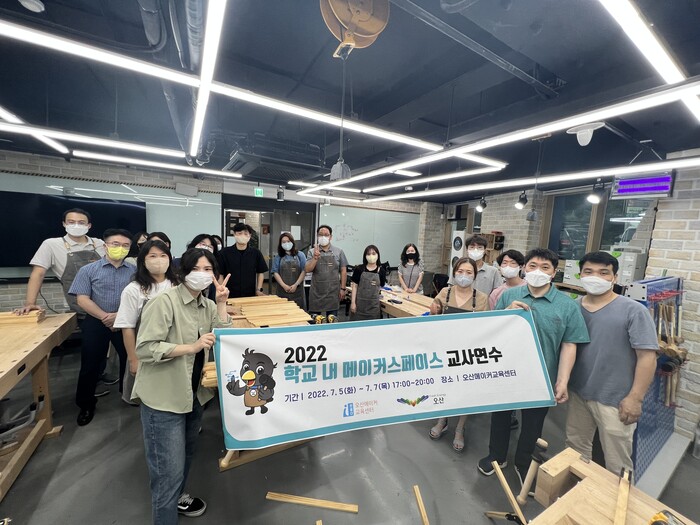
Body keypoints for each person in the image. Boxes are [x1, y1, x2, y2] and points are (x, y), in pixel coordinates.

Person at [132, 248, 232, 523]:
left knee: (186, 455)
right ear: (182, 272)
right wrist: (192, 347)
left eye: (208, 269)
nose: (202, 274)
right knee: (167, 471)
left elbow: (224, 337)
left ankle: (178, 498)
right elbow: (145, 348)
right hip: (164, 399)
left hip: (194, 395)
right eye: (196, 269)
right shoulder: (163, 302)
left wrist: (221, 303)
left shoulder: (207, 305)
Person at [478, 248, 589, 490]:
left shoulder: (567, 306)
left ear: (554, 272)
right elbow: (490, 330)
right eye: (532, 266)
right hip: (506, 373)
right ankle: (496, 456)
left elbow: (570, 344)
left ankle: (524, 462)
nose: (538, 271)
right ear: (524, 268)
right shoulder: (509, 296)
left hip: (542, 376)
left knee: (533, 424)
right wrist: (506, 314)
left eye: (545, 267)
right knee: (500, 417)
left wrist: (562, 380)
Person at [566, 251, 658, 475]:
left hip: (615, 400)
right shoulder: (573, 307)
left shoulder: (633, 311)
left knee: (618, 463)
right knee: (575, 450)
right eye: (589, 272)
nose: (595, 277)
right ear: (580, 275)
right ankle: (578, 493)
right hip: (579, 393)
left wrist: (635, 398)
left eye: (603, 273)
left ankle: (618, 498)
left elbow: (647, 357)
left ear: (615, 277)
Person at [68, 228, 136, 426]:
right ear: (105, 245)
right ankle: (86, 404)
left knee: (129, 358)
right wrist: (105, 317)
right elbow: (82, 299)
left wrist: (119, 317)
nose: (120, 248)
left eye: (125, 245)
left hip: (126, 321)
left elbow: (139, 297)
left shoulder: (134, 272)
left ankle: (128, 393)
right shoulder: (88, 270)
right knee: (90, 362)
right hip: (96, 321)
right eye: (116, 244)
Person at [428, 257, 490, 452]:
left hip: (467, 353)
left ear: (474, 275)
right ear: (454, 273)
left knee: (465, 392)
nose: (464, 276)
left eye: (469, 272)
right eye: (460, 271)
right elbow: (433, 320)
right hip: (445, 350)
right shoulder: (444, 293)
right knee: (445, 386)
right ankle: (443, 419)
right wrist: (434, 311)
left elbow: (486, 328)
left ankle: (460, 428)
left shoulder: (481, 298)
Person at [114, 240, 178, 406]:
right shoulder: (133, 289)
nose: (159, 260)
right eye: (153, 256)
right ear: (143, 261)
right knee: (150, 398)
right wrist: (133, 360)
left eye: (163, 255)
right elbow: (127, 327)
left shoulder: (177, 284)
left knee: (174, 393)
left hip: (176, 348)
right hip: (147, 351)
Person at [15, 208, 105, 315]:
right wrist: (30, 303)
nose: (76, 225)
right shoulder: (51, 244)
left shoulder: (100, 244)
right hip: (78, 306)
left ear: (89, 225)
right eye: (71, 222)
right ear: (64, 224)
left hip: (108, 303)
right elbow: (38, 274)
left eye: (81, 223)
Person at [305, 225, 348, 320]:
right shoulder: (312, 252)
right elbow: (307, 269)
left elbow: (343, 270)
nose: (323, 237)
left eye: (326, 234)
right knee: (315, 321)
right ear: (317, 236)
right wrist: (315, 258)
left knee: (332, 320)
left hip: (333, 292)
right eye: (320, 235)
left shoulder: (338, 252)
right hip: (317, 292)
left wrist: (343, 288)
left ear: (330, 237)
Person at [217, 223, 268, 298]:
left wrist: (258, 289)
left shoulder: (256, 253)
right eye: (240, 233)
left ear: (250, 235)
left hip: (250, 294)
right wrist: (222, 290)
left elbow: (260, 272)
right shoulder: (224, 253)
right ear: (234, 234)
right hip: (229, 294)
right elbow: (220, 274)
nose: (243, 236)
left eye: (246, 234)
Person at [271, 232, 307, 309]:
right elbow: (275, 272)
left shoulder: (300, 255)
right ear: (280, 244)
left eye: (288, 241)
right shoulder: (278, 257)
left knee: (298, 311)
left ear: (292, 242)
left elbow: (304, 270)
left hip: (298, 290)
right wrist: (284, 286)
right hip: (282, 290)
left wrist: (296, 285)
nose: (286, 243)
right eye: (283, 242)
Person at [350, 245, 386, 321]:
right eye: (368, 254)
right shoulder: (359, 269)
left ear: (378, 255)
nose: (371, 256)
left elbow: (381, 286)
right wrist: (353, 303)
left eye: (373, 253)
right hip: (359, 305)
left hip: (373, 307)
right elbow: (354, 286)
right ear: (365, 256)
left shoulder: (381, 271)